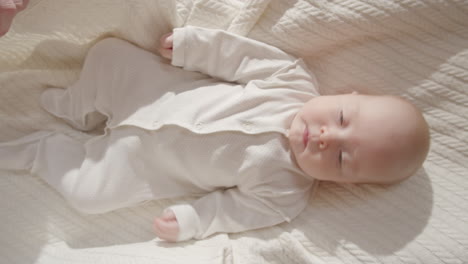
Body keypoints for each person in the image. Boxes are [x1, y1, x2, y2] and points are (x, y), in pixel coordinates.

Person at [0, 26, 430, 242]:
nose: (324, 138)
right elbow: (238, 57)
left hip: (144, 165)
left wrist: (191, 221)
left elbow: (230, 211)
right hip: (151, 92)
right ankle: (77, 106)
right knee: (109, 55)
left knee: (88, 195)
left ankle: (41, 152)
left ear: (344, 185)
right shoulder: (292, 81)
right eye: (340, 118)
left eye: (341, 158)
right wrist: (192, 46)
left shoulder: (285, 195)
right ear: (345, 94)